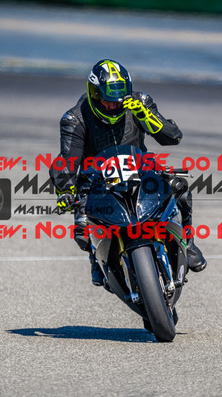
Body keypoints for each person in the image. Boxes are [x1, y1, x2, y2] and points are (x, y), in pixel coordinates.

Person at [50, 59, 206, 286]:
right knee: (82, 231)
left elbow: (173, 137)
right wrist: (66, 190)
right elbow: (67, 160)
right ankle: (96, 258)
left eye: (118, 101)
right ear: (94, 94)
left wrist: (145, 116)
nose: (113, 106)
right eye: (107, 101)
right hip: (96, 181)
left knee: (181, 191)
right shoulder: (74, 119)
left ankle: (188, 244)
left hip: (140, 171)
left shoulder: (140, 102)